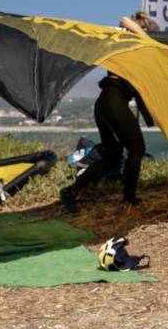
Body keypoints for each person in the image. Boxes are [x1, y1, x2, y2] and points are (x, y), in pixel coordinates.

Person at [60, 12, 157, 211]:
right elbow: (124, 20)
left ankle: (71, 191)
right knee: (137, 150)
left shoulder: (133, 49)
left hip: (105, 103)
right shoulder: (124, 40)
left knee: (113, 155)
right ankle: (129, 198)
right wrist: (144, 34)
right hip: (113, 102)